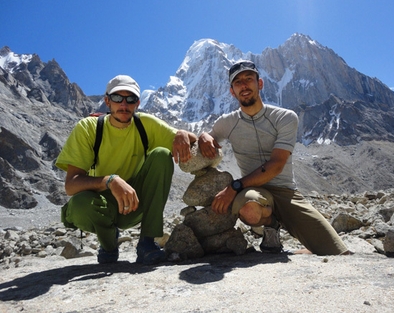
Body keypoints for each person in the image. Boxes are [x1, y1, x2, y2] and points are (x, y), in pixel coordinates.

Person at [198, 61, 350, 255]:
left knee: (339, 253)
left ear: (259, 84)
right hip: (254, 191)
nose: (244, 85)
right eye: (237, 82)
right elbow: (210, 137)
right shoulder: (228, 122)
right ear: (232, 91)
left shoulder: (285, 117)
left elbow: (276, 165)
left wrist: (233, 187)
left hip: (286, 192)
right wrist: (204, 136)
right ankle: (271, 225)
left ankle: (300, 244)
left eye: (248, 79)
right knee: (249, 209)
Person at [56, 75, 197, 264]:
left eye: (130, 99)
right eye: (117, 98)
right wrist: (110, 181)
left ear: (137, 103)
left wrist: (180, 132)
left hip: (134, 203)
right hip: (102, 205)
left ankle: (147, 242)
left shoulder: (145, 124)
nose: (124, 104)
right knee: (80, 204)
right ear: (107, 101)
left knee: (162, 155)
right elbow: (71, 186)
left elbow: (188, 141)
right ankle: (108, 245)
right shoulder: (88, 128)